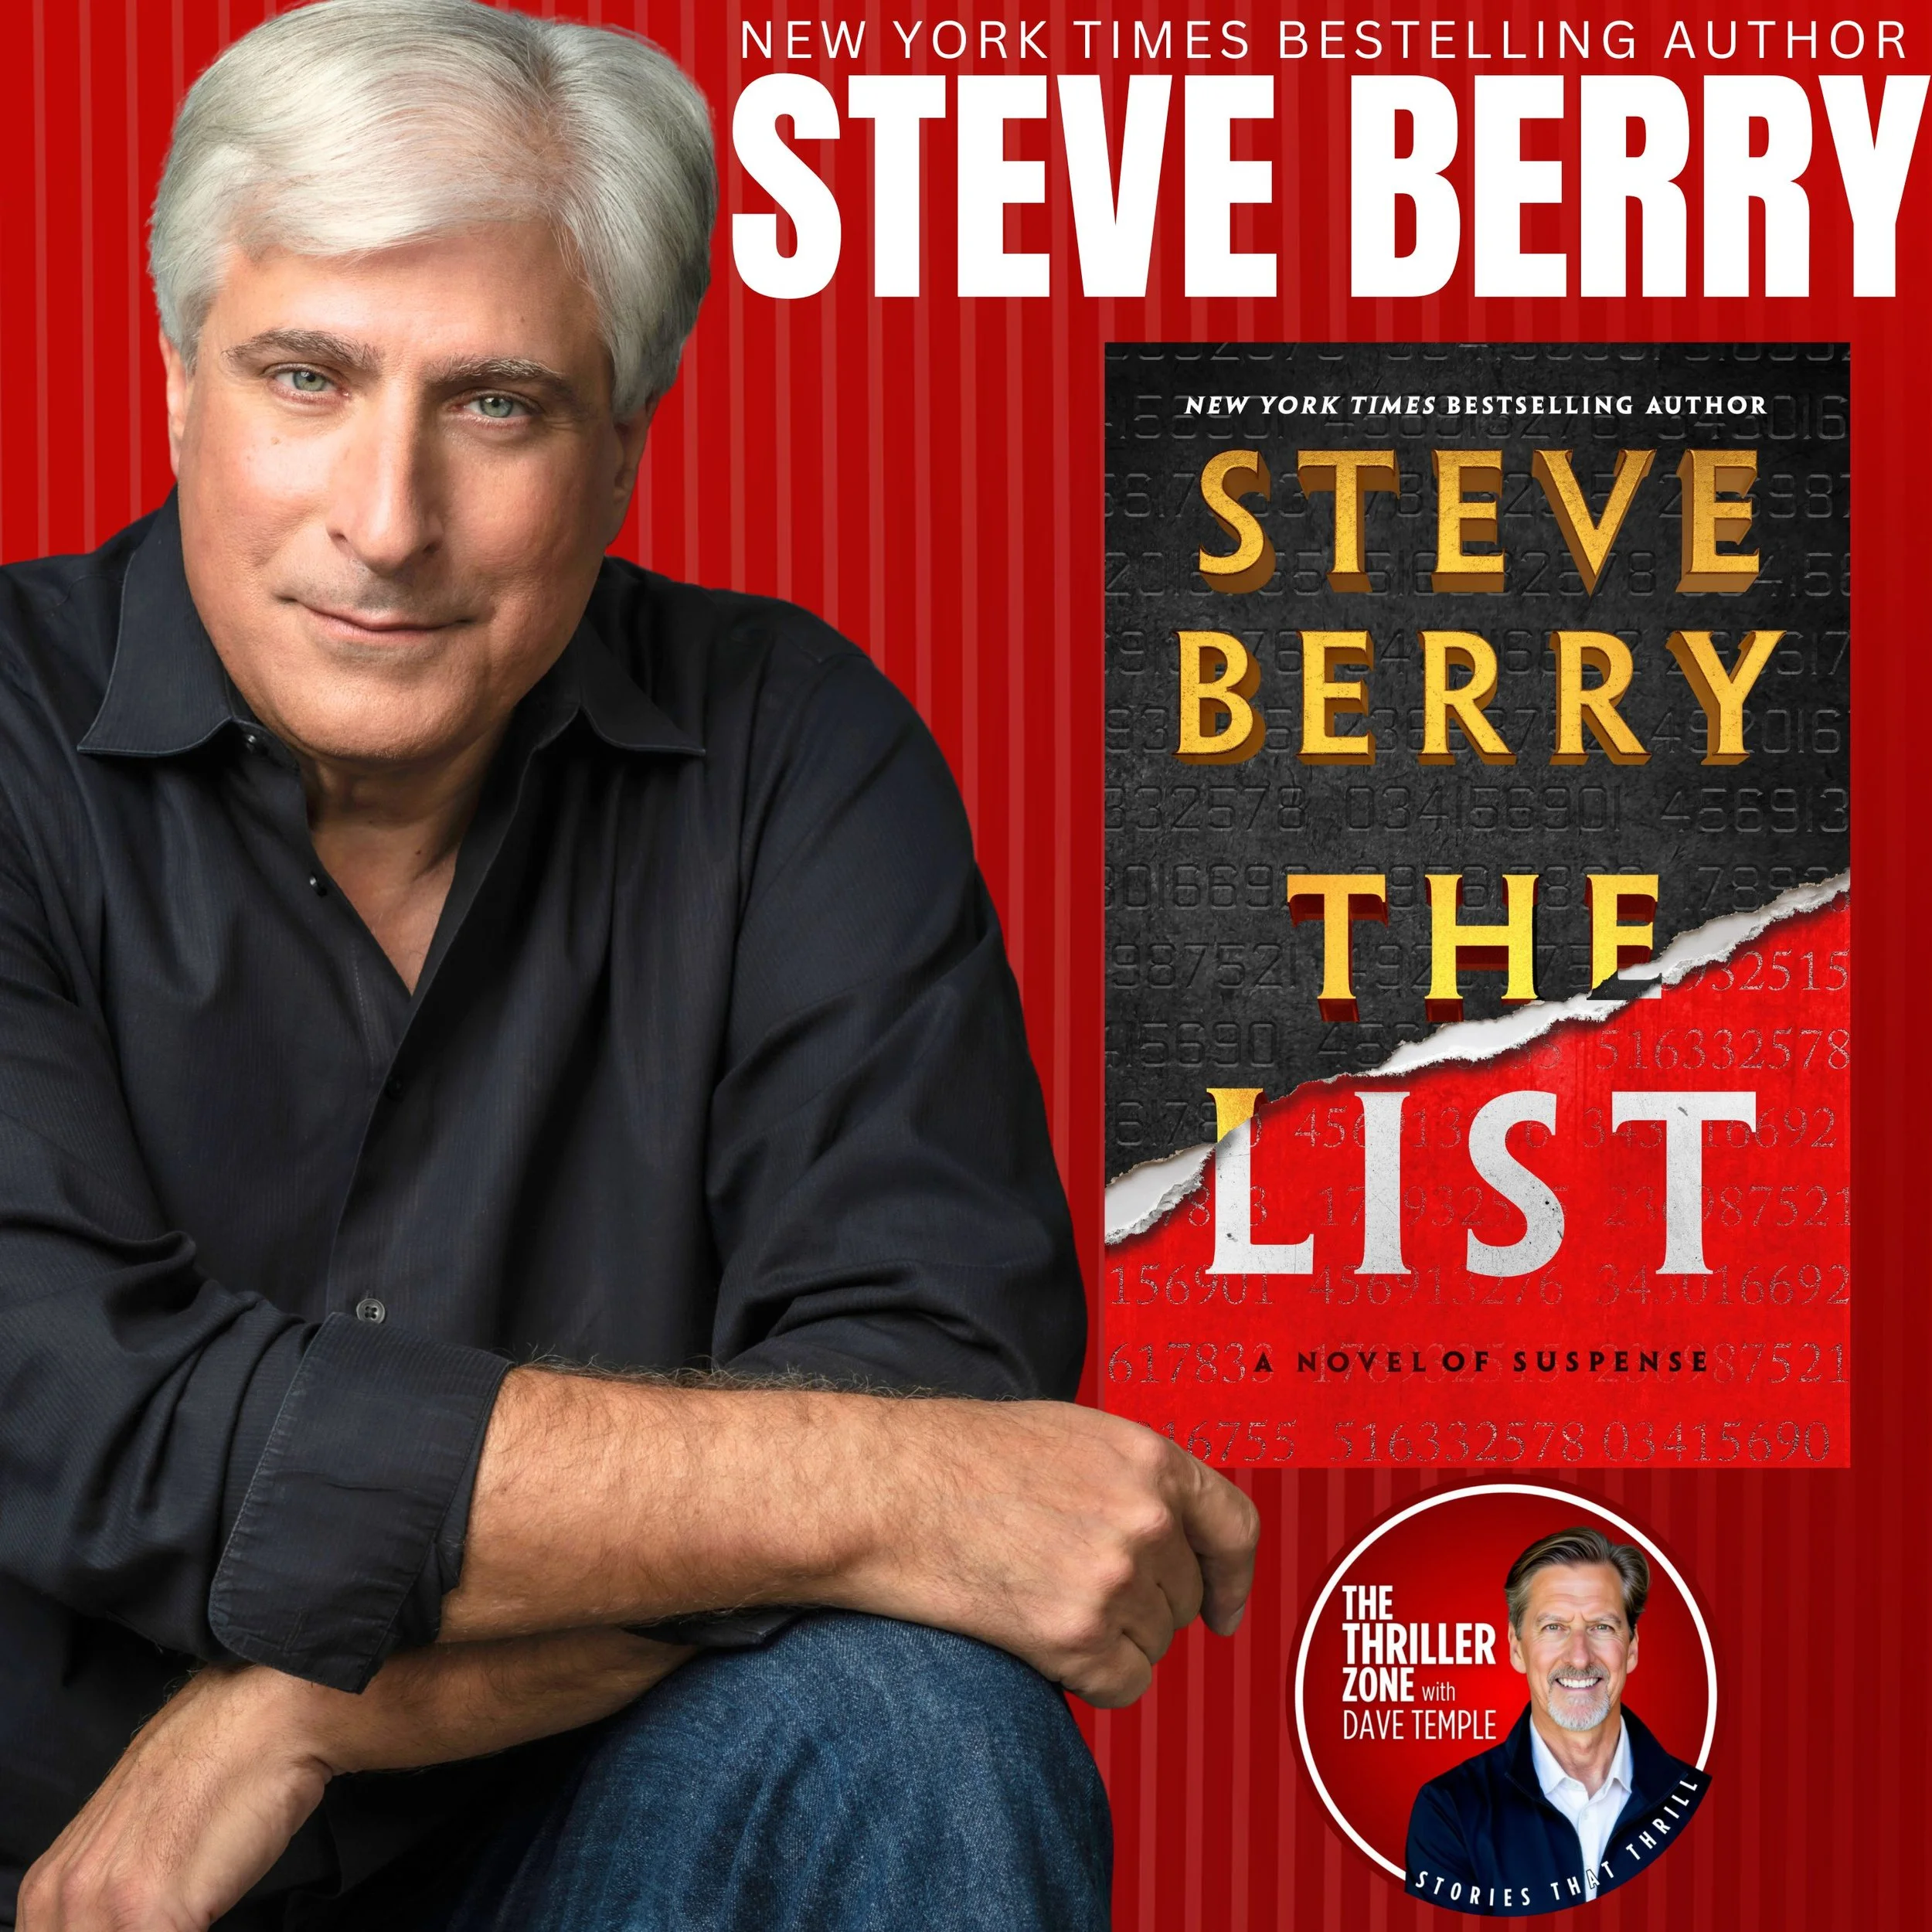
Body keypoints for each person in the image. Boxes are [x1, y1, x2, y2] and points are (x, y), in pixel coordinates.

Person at [0, 3, 1260, 1927]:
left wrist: (307, 1716)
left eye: (496, 401)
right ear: (180, 381)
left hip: (591, 1843)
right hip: (56, 1871)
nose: (387, 518)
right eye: (307, 376)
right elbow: (103, 1427)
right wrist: (884, 1492)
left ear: (621, 444)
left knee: (918, 1715)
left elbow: (936, 1386)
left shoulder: (793, 750)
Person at [1403, 1526, 1710, 1917]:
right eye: (1554, 1628)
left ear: (1632, 1649)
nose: (1579, 1657)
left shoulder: (1699, 1803)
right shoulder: (1451, 1812)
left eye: (1602, 1626)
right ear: (1517, 1649)